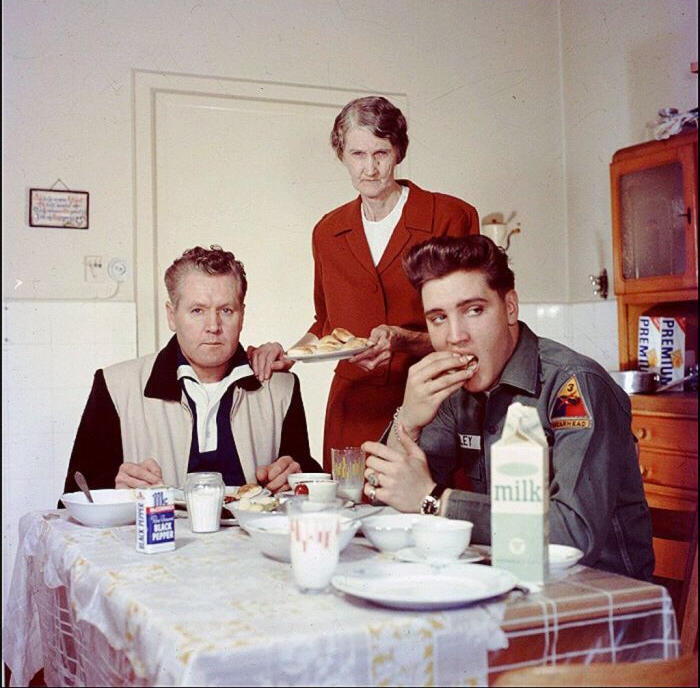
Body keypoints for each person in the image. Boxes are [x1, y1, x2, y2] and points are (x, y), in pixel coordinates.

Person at [361, 234, 654, 581]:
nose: (455, 336)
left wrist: (434, 500)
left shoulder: (574, 385)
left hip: (599, 596)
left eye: (473, 310)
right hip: (506, 580)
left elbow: (574, 535)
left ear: (510, 308)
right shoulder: (455, 391)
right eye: (438, 318)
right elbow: (383, 504)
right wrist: (407, 421)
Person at [248, 96, 479, 471]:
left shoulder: (450, 217)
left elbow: (470, 330)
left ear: (399, 152)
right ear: (341, 155)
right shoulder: (327, 231)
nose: (369, 169)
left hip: (433, 403)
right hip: (352, 409)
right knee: (350, 514)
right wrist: (290, 353)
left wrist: (402, 340)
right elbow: (326, 324)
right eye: (357, 154)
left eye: (381, 153)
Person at [62, 245, 320, 495]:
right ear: (172, 316)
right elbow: (76, 494)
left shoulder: (281, 388)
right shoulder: (116, 385)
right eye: (197, 310)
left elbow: (302, 478)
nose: (213, 326)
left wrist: (296, 476)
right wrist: (115, 488)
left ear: (242, 315)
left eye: (226, 310)